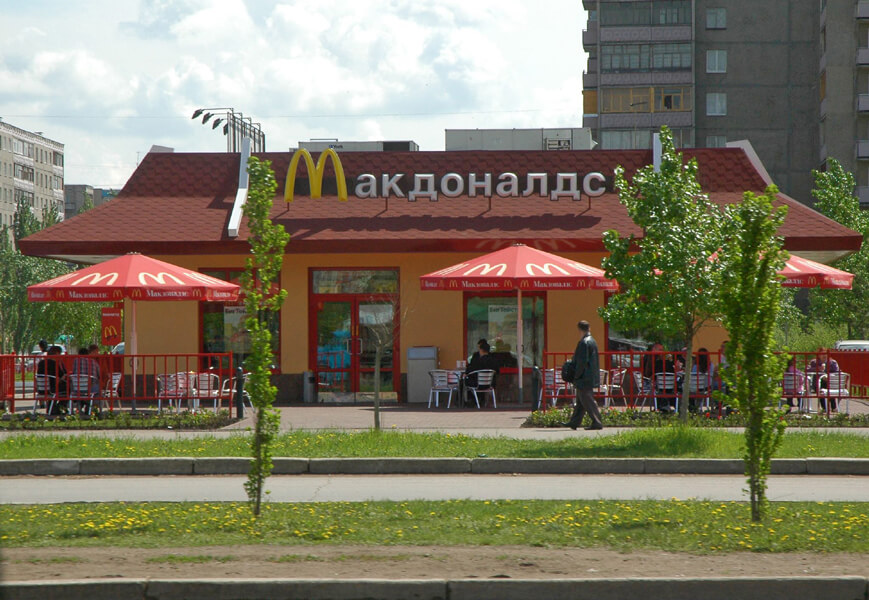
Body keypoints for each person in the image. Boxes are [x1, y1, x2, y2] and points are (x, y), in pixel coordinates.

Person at [562, 320, 603, 431]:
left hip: (584, 377)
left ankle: (597, 421)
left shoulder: (584, 343)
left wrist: (576, 376)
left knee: (587, 399)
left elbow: (582, 362)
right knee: (581, 400)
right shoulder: (592, 341)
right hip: (589, 376)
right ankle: (574, 422)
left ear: (579, 329)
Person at [66, 348, 101, 413]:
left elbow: (74, 372)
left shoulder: (76, 361)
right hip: (91, 388)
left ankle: (80, 406)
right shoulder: (93, 361)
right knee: (98, 390)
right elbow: (99, 374)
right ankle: (91, 407)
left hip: (77, 388)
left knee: (79, 391)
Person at [689, 347, 715, 412]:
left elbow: (692, 375)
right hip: (707, 387)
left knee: (688, 389)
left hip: (696, 387)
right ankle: (698, 406)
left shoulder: (695, 366)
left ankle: (692, 407)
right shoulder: (711, 365)